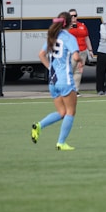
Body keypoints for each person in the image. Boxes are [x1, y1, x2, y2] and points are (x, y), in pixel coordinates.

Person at [31, 11, 81, 151]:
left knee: (62, 113)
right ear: (69, 23)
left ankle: (39, 125)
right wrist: (81, 60)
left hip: (53, 81)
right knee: (71, 112)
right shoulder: (69, 37)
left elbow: (41, 55)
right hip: (65, 80)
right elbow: (76, 57)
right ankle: (61, 142)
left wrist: (50, 68)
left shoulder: (52, 37)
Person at [68, 9, 93, 95]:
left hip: (82, 50)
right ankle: (68, 89)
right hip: (72, 52)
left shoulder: (82, 25)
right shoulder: (66, 27)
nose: (73, 17)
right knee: (70, 70)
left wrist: (90, 50)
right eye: (71, 16)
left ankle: (76, 90)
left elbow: (86, 37)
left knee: (79, 71)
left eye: (75, 15)